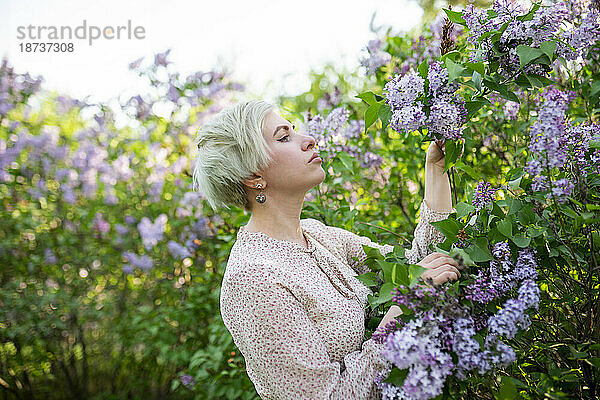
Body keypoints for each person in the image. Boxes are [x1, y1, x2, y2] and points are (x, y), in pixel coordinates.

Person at [192, 99, 464, 399]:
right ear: (254, 177)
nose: (309, 140)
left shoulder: (316, 235)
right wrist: (405, 306)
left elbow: (420, 266)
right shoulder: (255, 280)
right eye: (284, 137)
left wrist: (436, 168)